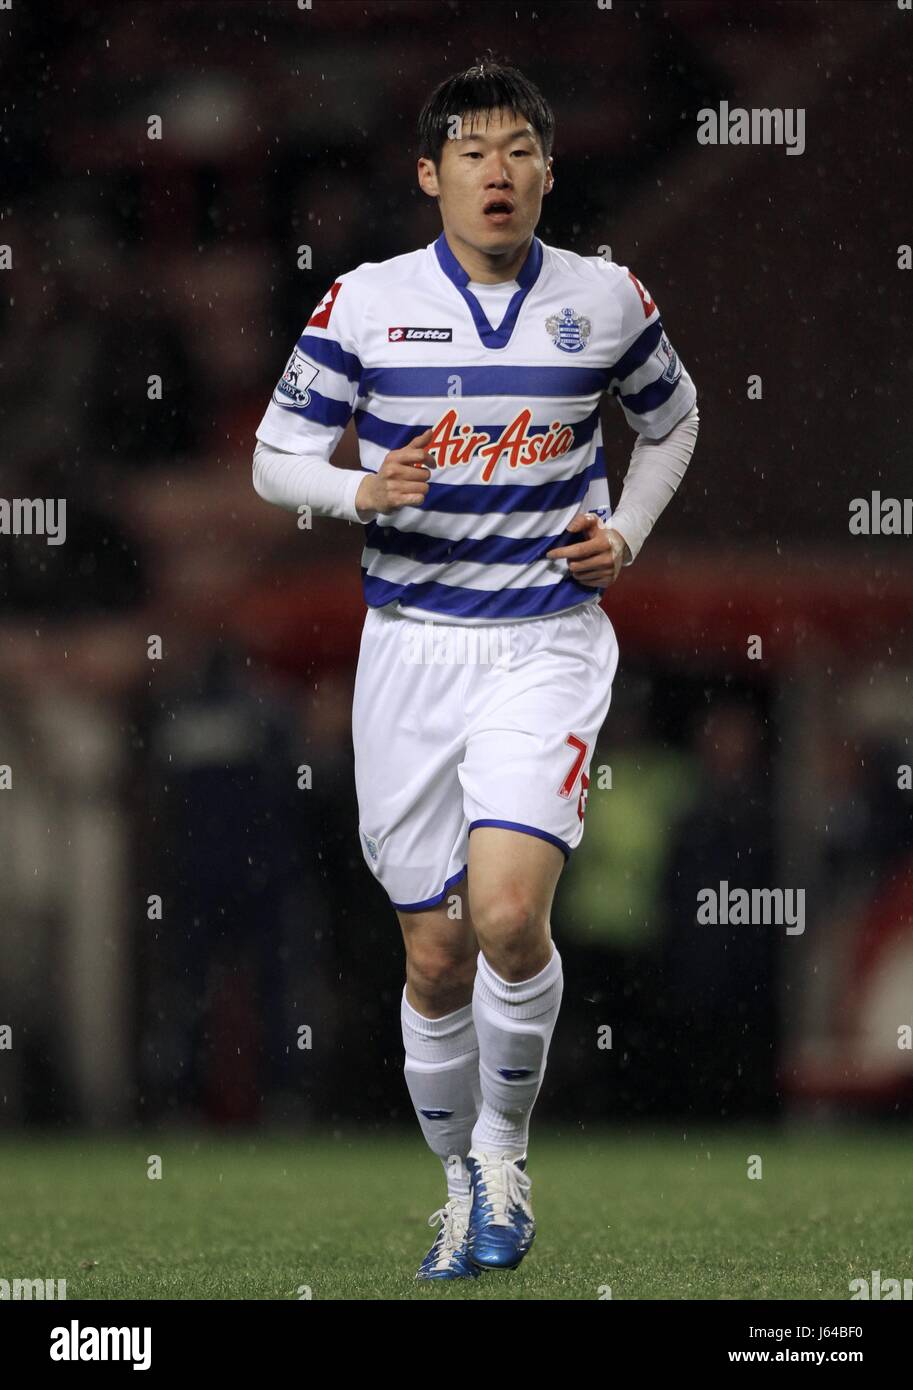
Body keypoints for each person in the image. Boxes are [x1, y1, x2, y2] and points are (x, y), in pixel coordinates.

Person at [252, 54, 699, 1280]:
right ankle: (458, 1187)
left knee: (508, 914)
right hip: (408, 651)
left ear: (548, 170)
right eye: (469, 154)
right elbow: (272, 454)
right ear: (428, 176)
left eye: (516, 152)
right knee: (436, 952)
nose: (494, 174)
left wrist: (627, 534)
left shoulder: (606, 299)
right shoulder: (364, 303)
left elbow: (673, 420)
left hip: (544, 643)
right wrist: (357, 487)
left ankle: (504, 1154)